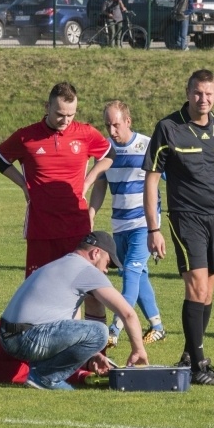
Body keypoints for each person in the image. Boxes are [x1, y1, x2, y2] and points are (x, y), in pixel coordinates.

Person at [143, 69, 214, 386]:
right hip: (186, 217)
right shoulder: (168, 128)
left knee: (207, 292)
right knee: (196, 287)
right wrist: (153, 229)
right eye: (197, 92)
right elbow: (151, 180)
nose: (203, 99)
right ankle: (199, 367)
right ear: (188, 92)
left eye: (208, 93)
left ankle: (188, 355)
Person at [0, 82, 116, 277]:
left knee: (77, 286)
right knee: (38, 287)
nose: (65, 120)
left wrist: (87, 181)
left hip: (77, 227)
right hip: (41, 228)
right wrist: (23, 185)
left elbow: (109, 154)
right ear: (47, 107)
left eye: (71, 114)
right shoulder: (26, 137)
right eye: (60, 114)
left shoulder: (85, 133)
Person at [0, 231, 149, 390]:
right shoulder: (87, 271)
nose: (106, 270)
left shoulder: (61, 264)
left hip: (6, 337)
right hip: (27, 338)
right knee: (100, 332)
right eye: (107, 263)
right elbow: (128, 314)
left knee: (91, 331)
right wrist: (138, 350)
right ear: (96, 253)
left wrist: (92, 355)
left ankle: (40, 373)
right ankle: (45, 378)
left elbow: (69, 329)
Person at [89, 100, 166, 349]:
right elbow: (100, 186)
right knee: (137, 275)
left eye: (116, 125)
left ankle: (114, 330)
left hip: (144, 224)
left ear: (128, 121)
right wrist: (91, 213)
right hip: (119, 225)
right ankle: (157, 327)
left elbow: (171, 179)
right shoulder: (105, 151)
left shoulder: (147, 146)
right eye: (107, 125)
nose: (112, 131)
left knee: (131, 274)